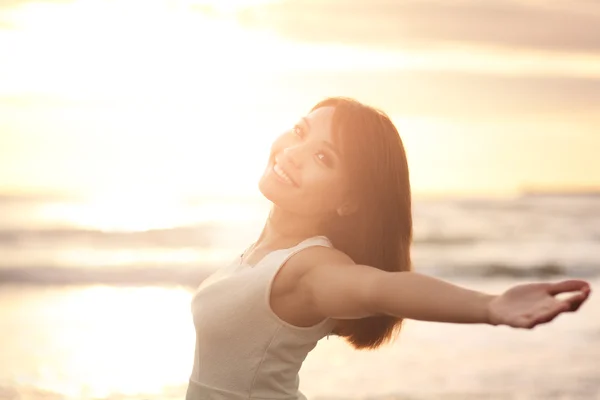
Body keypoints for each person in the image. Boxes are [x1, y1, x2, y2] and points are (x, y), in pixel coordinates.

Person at [186, 97, 592, 400]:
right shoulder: (265, 253)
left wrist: (489, 307)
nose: (294, 153)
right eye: (300, 131)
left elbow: (379, 288)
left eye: (324, 157)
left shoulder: (310, 268)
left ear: (349, 201)